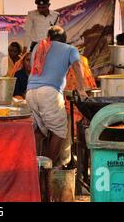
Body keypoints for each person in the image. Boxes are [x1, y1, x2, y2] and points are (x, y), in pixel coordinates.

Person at [25, 26, 88, 165]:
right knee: (59, 132)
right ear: (65, 40)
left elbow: (33, 68)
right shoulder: (70, 49)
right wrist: (82, 90)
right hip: (49, 93)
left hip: (30, 92)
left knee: (39, 130)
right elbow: (77, 65)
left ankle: (32, 168)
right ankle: (48, 168)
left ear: (49, 38)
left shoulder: (38, 47)